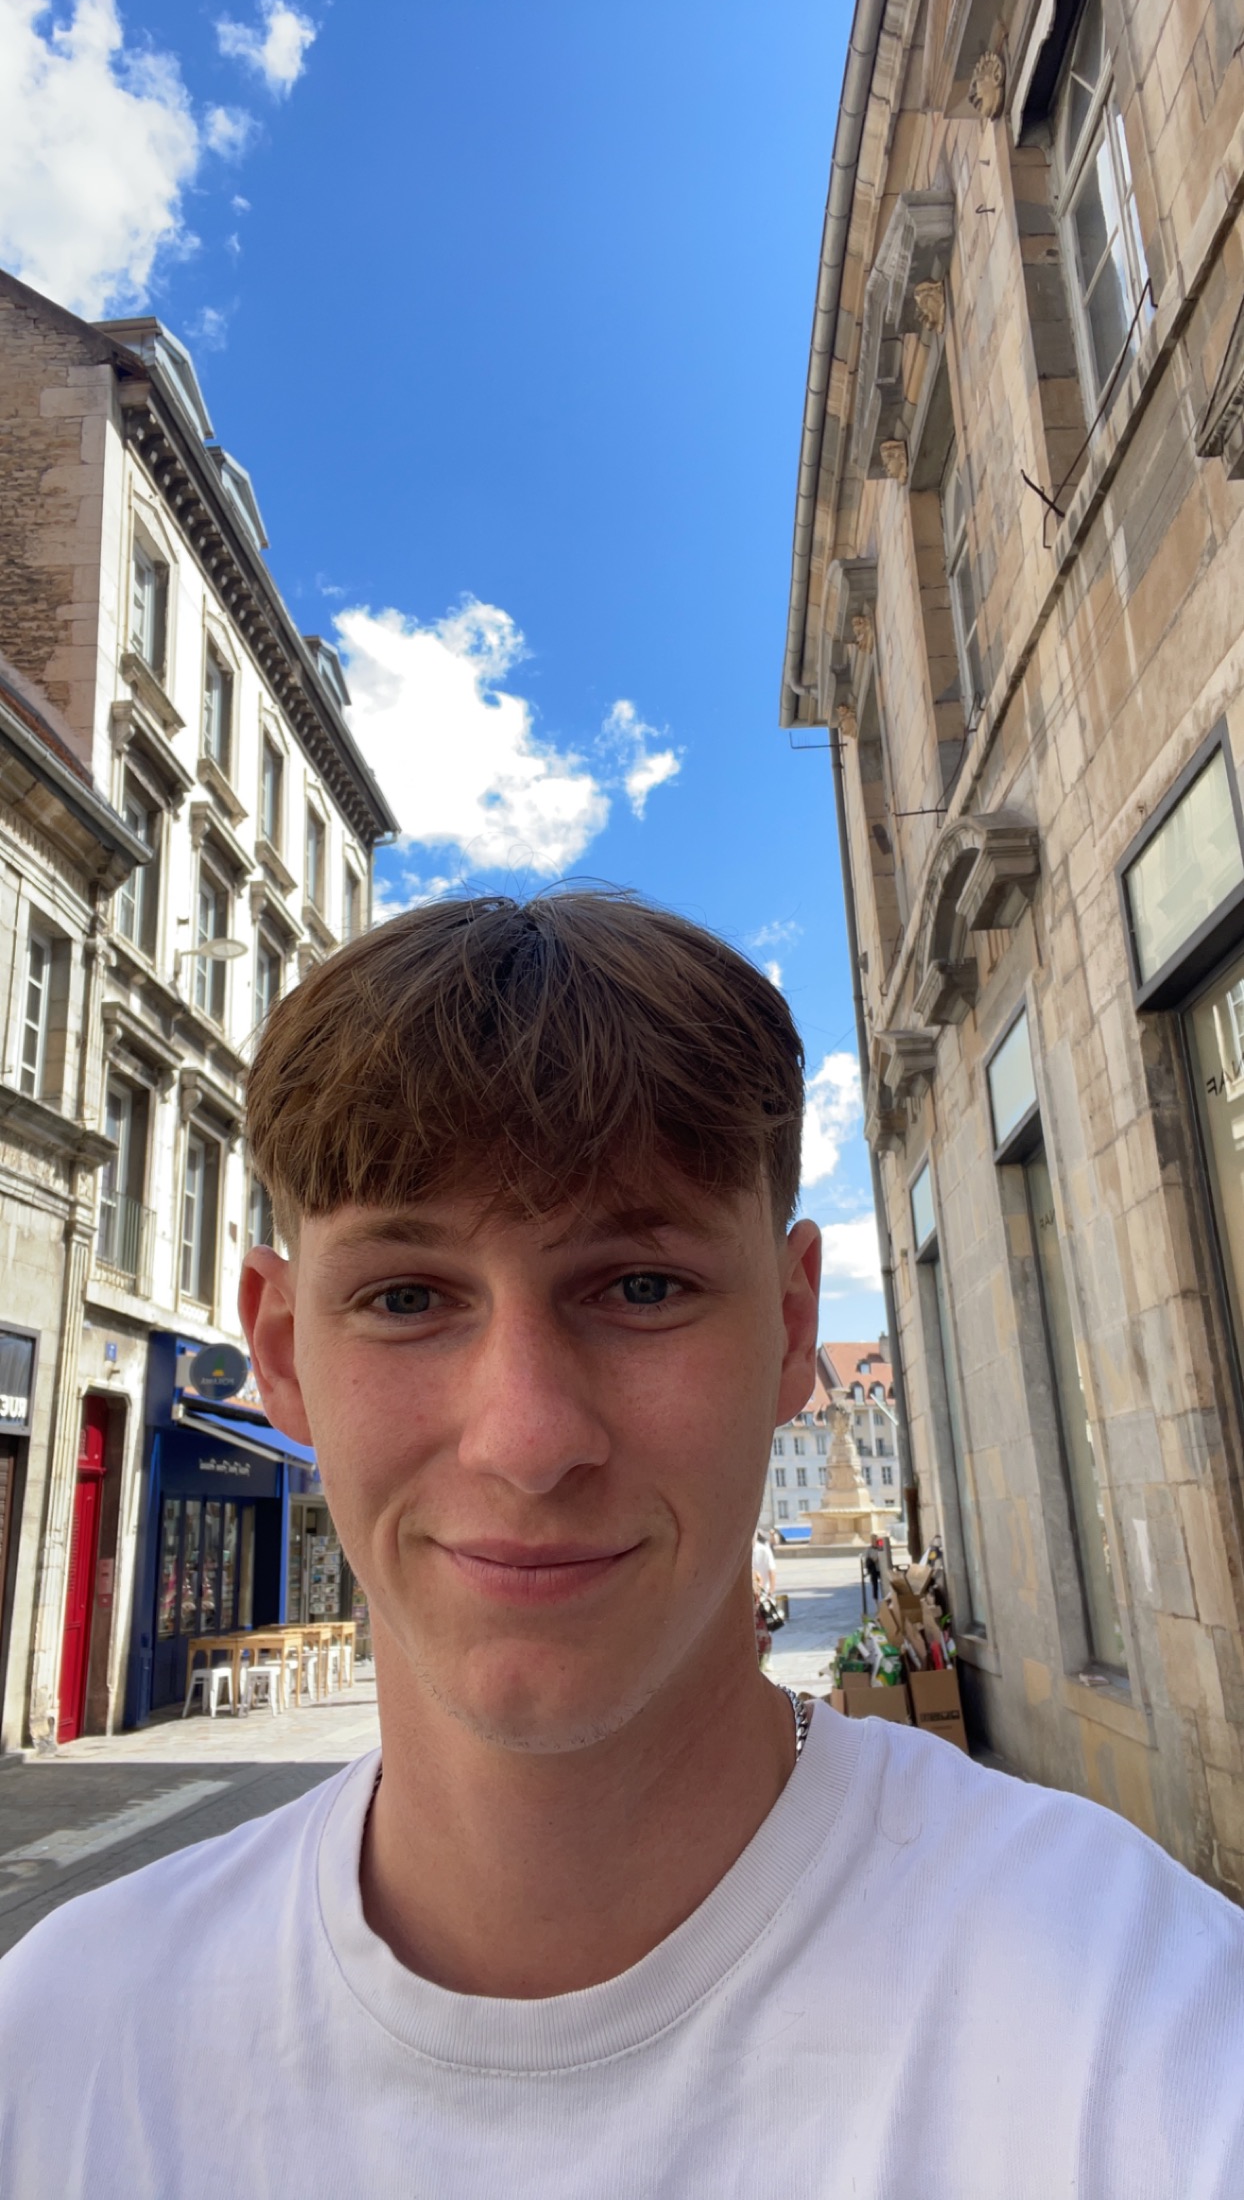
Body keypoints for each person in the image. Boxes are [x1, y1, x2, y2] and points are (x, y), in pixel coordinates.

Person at [2, 889, 1243, 2198]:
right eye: (407, 1297)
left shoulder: (1143, 2032)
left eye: (642, 1287)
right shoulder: (62, 2049)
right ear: (282, 1352)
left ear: (790, 1327)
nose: (528, 1440)